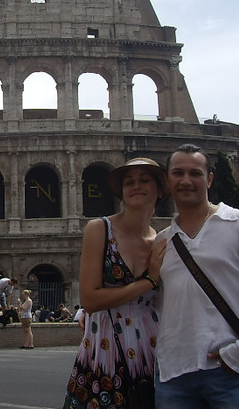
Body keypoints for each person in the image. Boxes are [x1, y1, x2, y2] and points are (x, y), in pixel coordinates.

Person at [155, 144, 239, 408]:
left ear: (210, 179)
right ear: (167, 180)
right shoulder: (162, 241)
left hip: (228, 371)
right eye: (178, 173)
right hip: (172, 374)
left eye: (195, 173)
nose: (185, 180)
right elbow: (152, 302)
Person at [64, 158, 167, 409]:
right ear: (121, 192)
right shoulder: (100, 229)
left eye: (144, 180)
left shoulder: (163, 241)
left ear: (160, 189)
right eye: (129, 182)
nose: (136, 186)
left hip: (152, 349)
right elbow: (90, 299)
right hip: (105, 349)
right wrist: (149, 280)